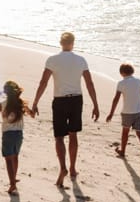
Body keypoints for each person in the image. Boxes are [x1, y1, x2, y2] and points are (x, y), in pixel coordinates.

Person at [31, 32, 99, 187]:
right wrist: (95, 104)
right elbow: (90, 83)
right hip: (76, 100)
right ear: (73, 43)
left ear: (61, 43)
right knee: (73, 134)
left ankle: (63, 167)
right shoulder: (81, 60)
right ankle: (73, 168)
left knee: (59, 137)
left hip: (60, 100)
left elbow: (43, 82)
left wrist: (35, 102)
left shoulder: (52, 60)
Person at [0, 80, 30, 195]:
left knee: (8, 160)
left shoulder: (2, 105)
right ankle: (13, 178)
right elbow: (32, 114)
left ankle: (12, 184)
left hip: (8, 134)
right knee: (15, 157)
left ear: (5, 92)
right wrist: (32, 109)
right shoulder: (20, 103)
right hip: (19, 134)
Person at [106, 63, 140, 163]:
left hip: (127, 112)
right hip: (139, 111)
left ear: (121, 73)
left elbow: (116, 99)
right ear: (132, 71)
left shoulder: (121, 83)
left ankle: (123, 151)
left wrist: (111, 113)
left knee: (125, 132)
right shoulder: (138, 81)